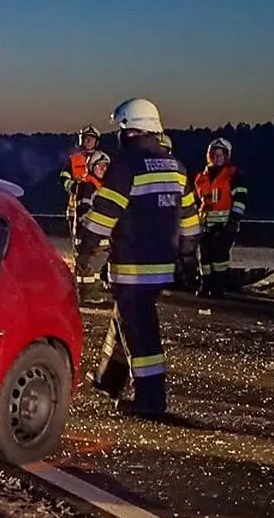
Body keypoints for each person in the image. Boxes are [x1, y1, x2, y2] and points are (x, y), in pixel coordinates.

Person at [77, 98, 201, 419]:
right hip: (164, 264)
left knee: (140, 330)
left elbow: (103, 217)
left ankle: (150, 399)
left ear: (128, 130)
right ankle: (109, 378)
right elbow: (190, 220)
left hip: (132, 265)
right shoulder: (176, 167)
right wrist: (189, 258)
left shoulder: (126, 166)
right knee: (126, 317)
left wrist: (87, 249)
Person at [193, 137, 247, 298]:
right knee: (204, 257)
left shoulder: (234, 175)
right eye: (214, 155)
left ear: (226, 156)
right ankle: (205, 285)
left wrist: (233, 221)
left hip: (225, 225)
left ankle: (218, 288)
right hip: (204, 225)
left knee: (220, 258)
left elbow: (240, 200)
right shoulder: (202, 177)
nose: (216, 158)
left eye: (220, 155)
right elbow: (197, 201)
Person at [73, 150, 112, 304]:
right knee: (88, 265)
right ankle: (87, 294)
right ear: (91, 167)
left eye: (105, 166)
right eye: (99, 166)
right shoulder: (88, 185)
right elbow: (84, 210)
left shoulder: (98, 185)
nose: (103, 169)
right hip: (89, 234)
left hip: (97, 233)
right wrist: (90, 231)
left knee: (96, 263)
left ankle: (92, 291)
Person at [60, 124, 101, 202]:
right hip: (76, 201)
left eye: (92, 138)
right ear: (81, 140)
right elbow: (63, 177)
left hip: (97, 201)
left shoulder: (103, 159)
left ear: (97, 142)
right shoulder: (73, 159)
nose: (89, 141)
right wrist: (73, 186)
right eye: (86, 138)